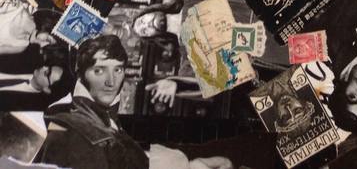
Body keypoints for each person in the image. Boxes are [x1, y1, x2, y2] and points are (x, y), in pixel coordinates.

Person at [38, 34, 233, 169]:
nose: (111, 82)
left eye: (118, 70)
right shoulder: (70, 123)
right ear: (81, 75)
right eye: (99, 70)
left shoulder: (98, 114)